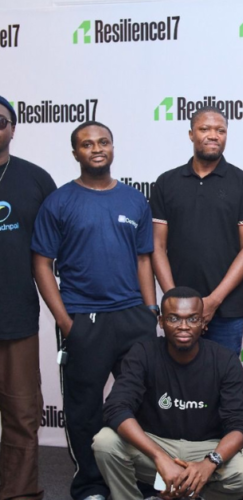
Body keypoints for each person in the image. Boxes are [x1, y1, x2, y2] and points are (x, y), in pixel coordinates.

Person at [31, 121, 159, 500]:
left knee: (143, 405)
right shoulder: (59, 202)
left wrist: (150, 309)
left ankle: (145, 482)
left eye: (103, 142)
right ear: (76, 153)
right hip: (83, 319)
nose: (97, 148)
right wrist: (65, 321)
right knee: (84, 409)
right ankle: (90, 485)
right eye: (87, 144)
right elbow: (42, 264)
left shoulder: (134, 200)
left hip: (133, 317)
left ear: (113, 147)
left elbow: (144, 259)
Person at [92, 286, 243, 500]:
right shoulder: (142, 353)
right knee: (105, 442)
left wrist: (210, 462)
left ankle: (196, 492)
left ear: (203, 323)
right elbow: (116, 408)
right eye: (174, 319)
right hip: (156, 446)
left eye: (192, 319)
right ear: (161, 322)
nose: (183, 326)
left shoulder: (225, 360)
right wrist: (160, 457)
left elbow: (239, 425)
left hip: (206, 448)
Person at [150, 105, 243, 355]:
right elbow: (157, 246)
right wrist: (174, 300)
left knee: (223, 375)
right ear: (191, 134)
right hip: (177, 311)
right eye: (205, 129)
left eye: (220, 130)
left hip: (226, 309)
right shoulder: (167, 182)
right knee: (176, 376)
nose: (213, 135)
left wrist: (213, 301)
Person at [0, 95, 56, 500]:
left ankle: (18, 492)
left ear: (13, 129)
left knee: (21, 414)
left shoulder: (35, 179)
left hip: (16, 318)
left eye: (0, 120)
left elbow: (57, 250)